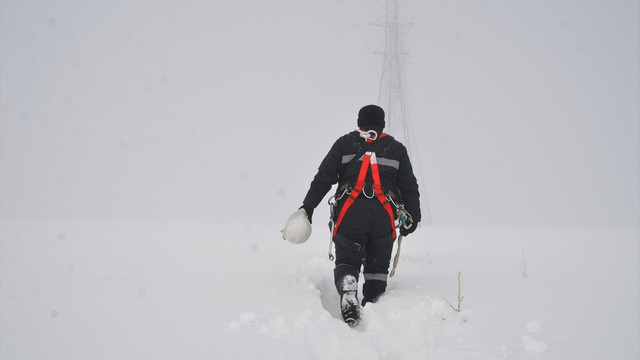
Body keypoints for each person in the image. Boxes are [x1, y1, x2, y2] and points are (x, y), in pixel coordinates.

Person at [298, 104, 421, 327]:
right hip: (383, 214)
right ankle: (373, 302)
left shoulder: (345, 143)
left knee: (347, 259)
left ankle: (348, 281)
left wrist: (307, 207)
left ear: (359, 123)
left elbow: (323, 178)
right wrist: (413, 218)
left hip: (350, 211)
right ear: (382, 124)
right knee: (376, 268)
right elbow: (410, 187)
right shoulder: (397, 149)